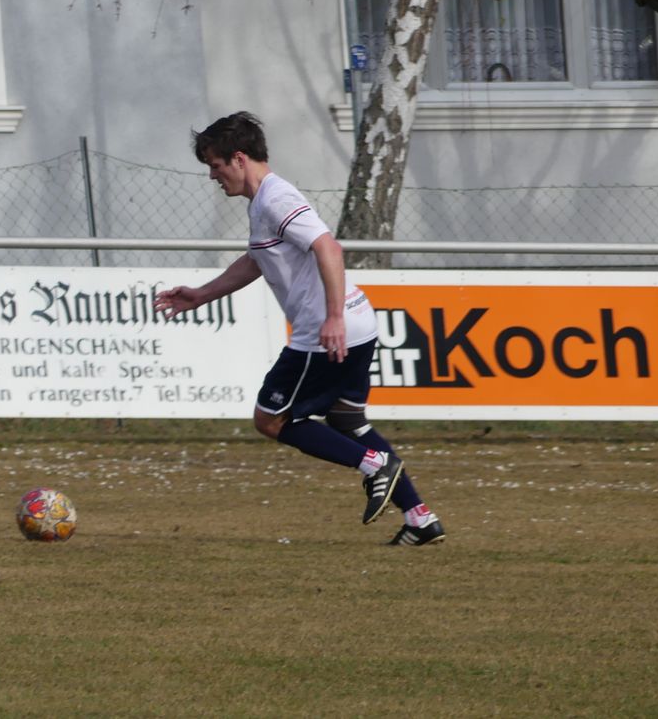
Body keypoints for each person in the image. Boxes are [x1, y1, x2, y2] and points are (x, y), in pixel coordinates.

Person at [154, 112, 445, 546]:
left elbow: (328, 246)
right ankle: (421, 519)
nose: (212, 176)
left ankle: (373, 465)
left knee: (270, 420)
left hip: (324, 329)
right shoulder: (264, 202)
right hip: (359, 322)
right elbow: (257, 260)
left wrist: (331, 317)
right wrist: (201, 294)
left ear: (238, 158)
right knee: (348, 420)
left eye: (215, 166)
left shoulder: (275, 198)